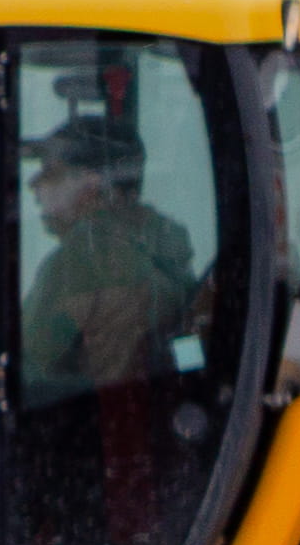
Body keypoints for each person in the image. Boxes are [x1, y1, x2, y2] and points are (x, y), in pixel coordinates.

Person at [18, 113, 200, 392]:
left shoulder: (81, 260)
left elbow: (24, 366)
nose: (34, 184)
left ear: (90, 186)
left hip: (92, 413)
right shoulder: (164, 252)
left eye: (49, 172)